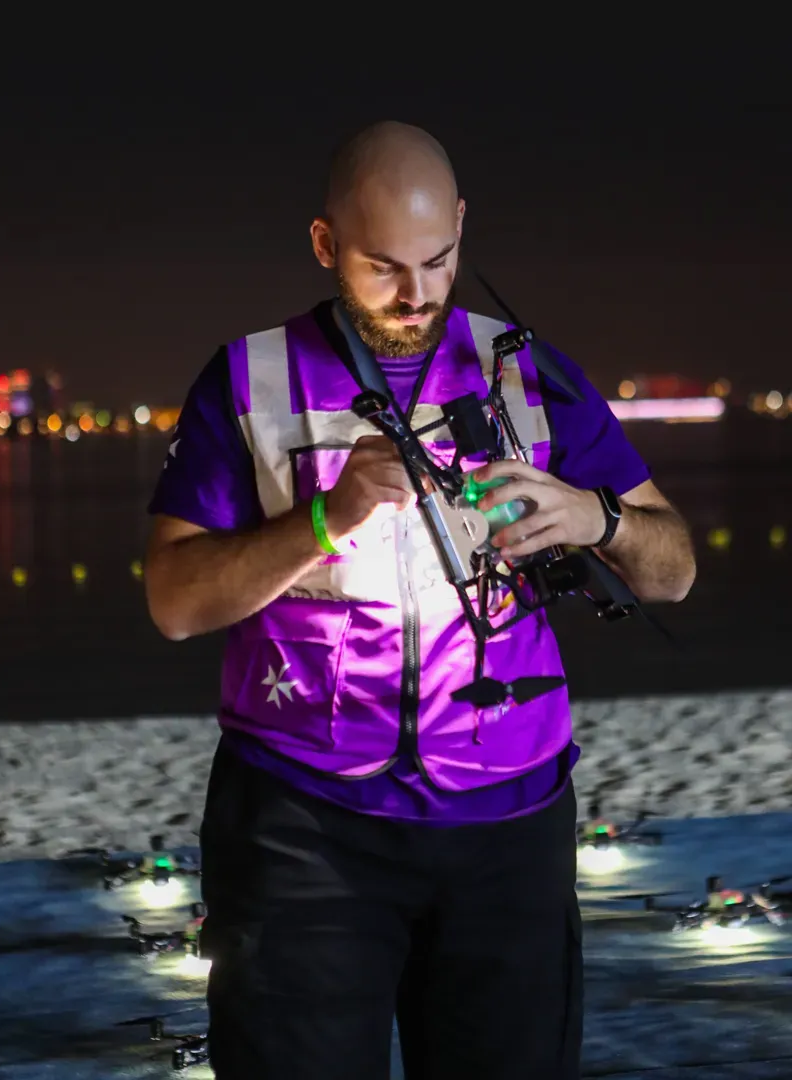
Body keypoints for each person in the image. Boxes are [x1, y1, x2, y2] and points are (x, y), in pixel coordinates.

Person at [144, 120, 696, 1080]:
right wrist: (322, 517)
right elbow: (175, 602)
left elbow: (675, 568)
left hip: (512, 827)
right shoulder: (245, 380)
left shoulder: (534, 372)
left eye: (439, 262)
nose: (416, 295)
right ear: (324, 246)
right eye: (382, 267)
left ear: (463, 228)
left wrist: (594, 516)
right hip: (303, 826)